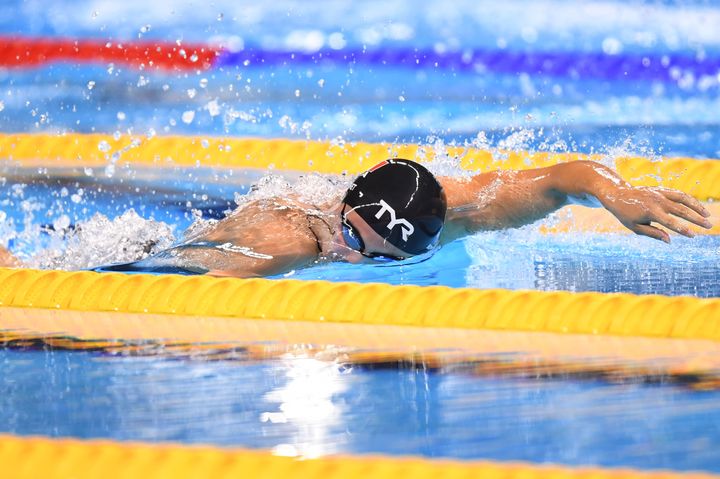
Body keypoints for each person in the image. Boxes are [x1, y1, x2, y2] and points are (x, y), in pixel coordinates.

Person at [0, 158, 712, 277]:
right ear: (341, 208)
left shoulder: (454, 210)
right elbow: (163, 278)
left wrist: (614, 192)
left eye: (379, 259)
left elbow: (558, 180)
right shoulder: (286, 241)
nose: (352, 258)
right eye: (350, 237)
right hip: (177, 241)